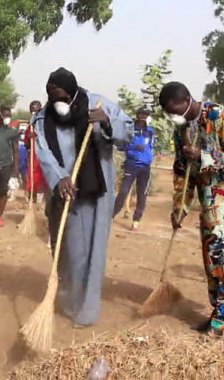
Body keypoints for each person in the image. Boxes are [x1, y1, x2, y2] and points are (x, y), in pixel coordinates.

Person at [160, 81, 224, 338]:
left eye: (175, 109)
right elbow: (181, 171)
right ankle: (217, 311)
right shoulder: (182, 128)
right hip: (210, 204)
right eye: (168, 112)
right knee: (213, 260)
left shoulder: (218, 115)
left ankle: (222, 320)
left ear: (187, 100)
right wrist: (180, 208)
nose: (173, 115)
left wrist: (204, 155)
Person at [34, 67, 133, 327]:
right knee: (71, 251)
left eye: (63, 98)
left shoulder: (98, 104)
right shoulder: (43, 118)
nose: (58, 104)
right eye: (52, 98)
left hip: (98, 191)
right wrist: (59, 178)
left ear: (74, 93)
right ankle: (69, 300)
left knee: (93, 252)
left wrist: (107, 122)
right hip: (67, 193)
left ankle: (86, 311)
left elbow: (128, 132)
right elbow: (43, 151)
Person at [113, 107, 156, 231]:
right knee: (123, 192)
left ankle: (136, 221)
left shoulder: (150, 131)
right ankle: (112, 215)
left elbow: (150, 146)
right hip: (131, 165)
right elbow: (120, 146)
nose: (145, 116)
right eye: (143, 114)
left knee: (142, 195)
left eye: (147, 114)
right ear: (138, 115)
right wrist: (133, 147)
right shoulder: (130, 129)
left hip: (145, 168)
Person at [24, 100, 47, 205]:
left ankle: (41, 203)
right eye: (32, 111)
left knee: (44, 180)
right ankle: (32, 203)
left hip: (45, 156)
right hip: (33, 158)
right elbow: (26, 145)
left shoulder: (46, 125)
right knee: (32, 181)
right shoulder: (30, 128)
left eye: (36, 111)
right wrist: (29, 138)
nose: (34, 113)